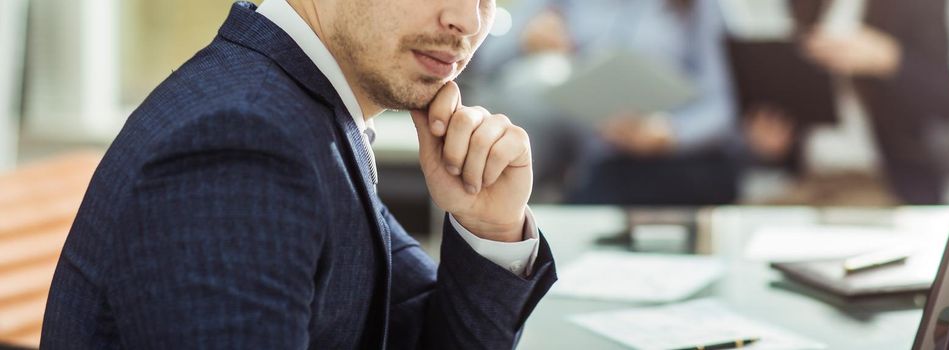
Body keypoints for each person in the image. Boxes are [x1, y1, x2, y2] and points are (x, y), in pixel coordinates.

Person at [41, 0, 557, 348]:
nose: (467, 18)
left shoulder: (304, 112)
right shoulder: (244, 144)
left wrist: (489, 228)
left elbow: (414, 335)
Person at [468, 0, 740, 205]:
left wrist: (669, 133)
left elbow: (722, 108)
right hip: (596, 162)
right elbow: (485, 57)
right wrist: (524, 38)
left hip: (678, 164)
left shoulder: (696, 7)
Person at [742, 0, 949, 205]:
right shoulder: (806, 5)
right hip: (809, 181)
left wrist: (886, 57)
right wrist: (776, 144)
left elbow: (948, 103)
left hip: (879, 183)